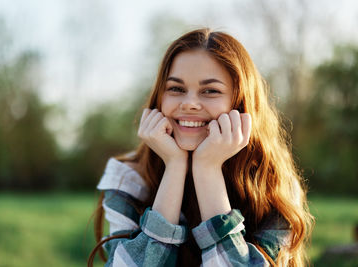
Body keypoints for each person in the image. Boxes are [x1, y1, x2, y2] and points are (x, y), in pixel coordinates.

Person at [88, 28, 313, 267]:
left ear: (240, 105)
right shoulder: (130, 177)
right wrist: (174, 167)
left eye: (210, 91)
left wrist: (207, 169)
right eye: (176, 88)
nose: (189, 104)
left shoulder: (274, 185)